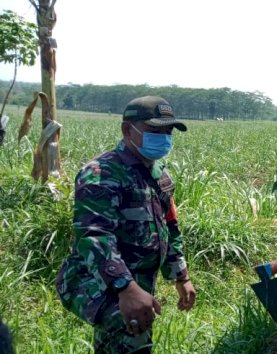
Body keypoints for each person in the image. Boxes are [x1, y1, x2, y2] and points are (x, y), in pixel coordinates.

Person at [56, 96, 196, 353]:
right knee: (132, 329)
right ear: (126, 130)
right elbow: (94, 236)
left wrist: (181, 276)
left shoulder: (160, 176)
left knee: (129, 337)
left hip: (137, 281)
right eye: (154, 131)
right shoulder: (101, 174)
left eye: (168, 132)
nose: (164, 138)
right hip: (94, 279)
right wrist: (125, 288)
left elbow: (170, 226)